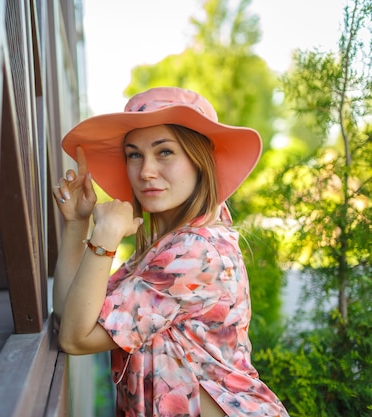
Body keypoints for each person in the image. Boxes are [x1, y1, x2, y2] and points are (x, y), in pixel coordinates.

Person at [52, 87, 290, 417]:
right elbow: (71, 316)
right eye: (134, 155)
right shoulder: (163, 246)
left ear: (199, 160)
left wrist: (104, 236)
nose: (146, 171)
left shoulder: (194, 253)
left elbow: (76, 339)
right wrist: (78, 225)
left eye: (164, 152)